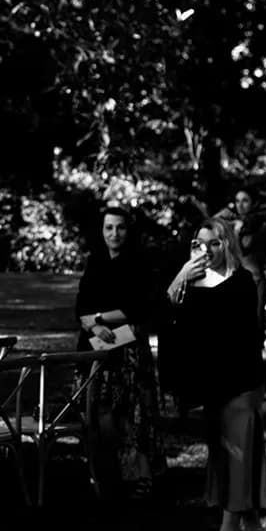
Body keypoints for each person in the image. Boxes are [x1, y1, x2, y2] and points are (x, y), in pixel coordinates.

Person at [166, 217, 266, 531]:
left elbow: (234, 335)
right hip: (212, 384)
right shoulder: (193, 282)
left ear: (227, 244)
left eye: (215, 243)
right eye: (200, 243)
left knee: (239, 456)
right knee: (226, 453)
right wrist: (182, 276)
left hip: (238, 382)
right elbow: (168, 317)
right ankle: (253, 528)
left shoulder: (242, 281)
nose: (207, 250)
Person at [75, 205, 166, 500]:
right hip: (96, 349)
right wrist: (92, 325)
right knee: (100, 412)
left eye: (120, 227)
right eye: (108, 227)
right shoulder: (95, 262)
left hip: (128, 350)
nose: (114, 234)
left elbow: (137, 308)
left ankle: (142, 474)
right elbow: (81, 308)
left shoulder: (139, 263)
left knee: (135, 413)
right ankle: (106, 474)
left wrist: (98, 319)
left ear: (129, 230)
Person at [217, 184, 266, 325]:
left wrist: (235, 232)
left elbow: (243, 251)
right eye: (237, 201)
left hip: (254, 282)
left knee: (254, 325)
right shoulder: (235, 223)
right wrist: (218, 217)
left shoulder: (261, 226)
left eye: (245, 201)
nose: (240, 206)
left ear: (254, 203)